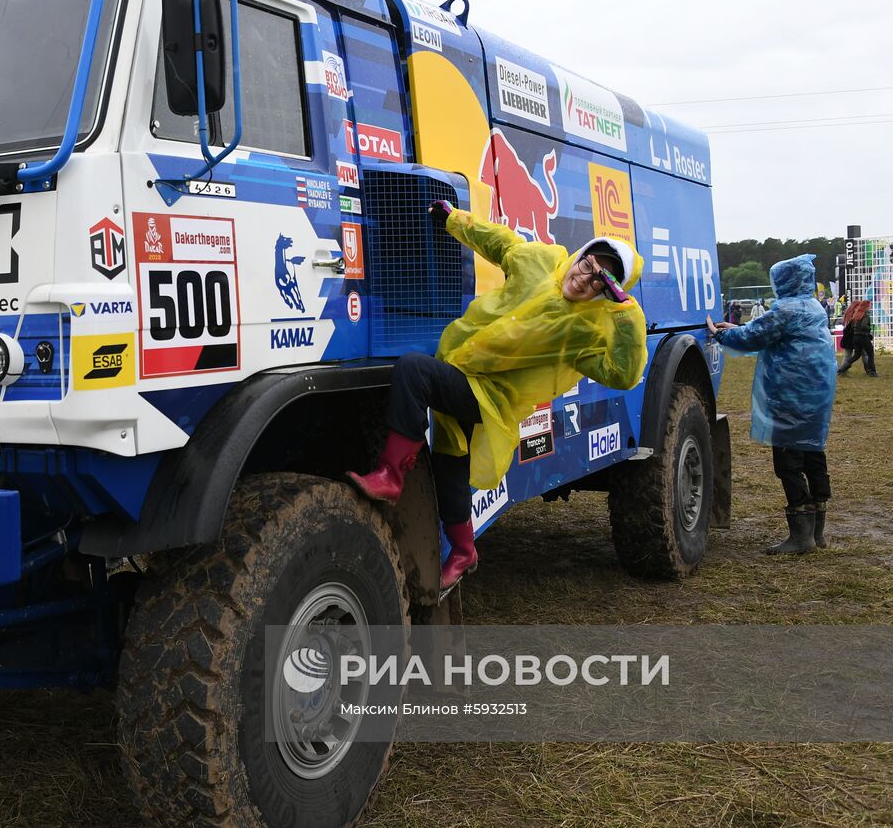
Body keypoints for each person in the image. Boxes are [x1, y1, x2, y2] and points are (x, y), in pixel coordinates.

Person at [347, 201, 647, 589]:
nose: (586, 279)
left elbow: (623, 374)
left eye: (601, 282)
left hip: (490, 398)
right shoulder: (540, 260)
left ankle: (390, 474)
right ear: (581, 255)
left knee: (412, 370)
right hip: (460, 365)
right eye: (588, 265)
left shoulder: (588, 334)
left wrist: (626, 313)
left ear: (608, 293)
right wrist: (454, 218)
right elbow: (501, 243)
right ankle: (463, 549)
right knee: (449, 460)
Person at [707, 255, 836, 553]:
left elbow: (755, 336)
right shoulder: (813, 306)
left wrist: (720, 333)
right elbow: (770, 331)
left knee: (788, 462)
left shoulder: (787, 309)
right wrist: (736, 329)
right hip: (815, 395)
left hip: (791, 396)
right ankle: (817, 532)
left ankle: (801, 535)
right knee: (813, 454)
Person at [837, 300, 877, 377]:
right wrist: (869, 329)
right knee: (866, 354)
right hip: (858, 337)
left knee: (854, 354)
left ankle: (842, 369)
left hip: (853, 337)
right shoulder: (862, 315)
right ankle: (870, 370)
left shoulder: (852, 315)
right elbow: (863, 326)